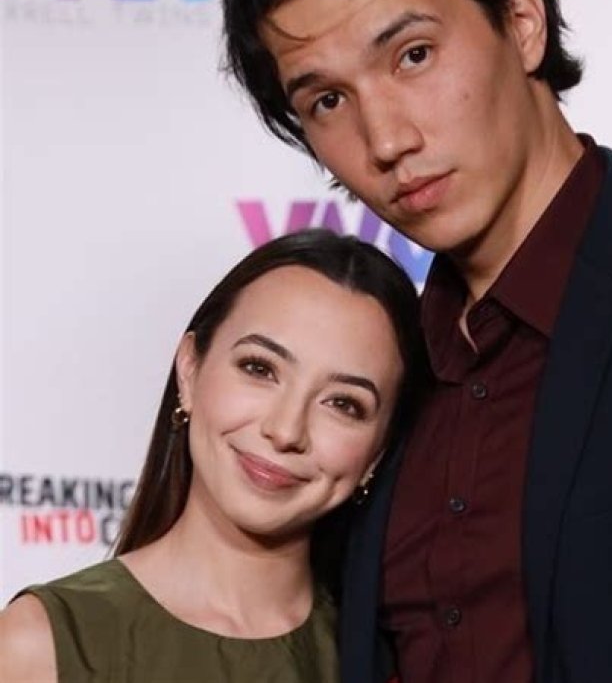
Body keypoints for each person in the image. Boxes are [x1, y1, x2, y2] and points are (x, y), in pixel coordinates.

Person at [221, 0, 612, 683]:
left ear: (521, 22)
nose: (386, 140)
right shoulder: (379, 379)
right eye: (328, 100)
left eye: (413, 55)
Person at [0, 229, 426, 683]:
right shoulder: (41, 645)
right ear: (189, 370)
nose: (285, 430)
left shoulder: (404, 661)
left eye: (343, 404)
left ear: (379, 452)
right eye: (259, 368)